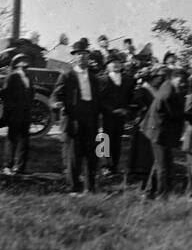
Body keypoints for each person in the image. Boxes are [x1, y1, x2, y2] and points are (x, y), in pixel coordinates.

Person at [50, 39, 103, 194]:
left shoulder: (94, 78)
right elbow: (55, 95)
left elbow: (98, 99)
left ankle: (90, 188)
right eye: (79, 54)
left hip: (91, 118)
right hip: (74, 118)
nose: (82, 57)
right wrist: (56, 104)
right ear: (74, 57)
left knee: (92, 154)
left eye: (85, 54)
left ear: (88, 57)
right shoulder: (67, 76)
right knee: (74, 155)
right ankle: (74, 188)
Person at [143, 67, 187, 199]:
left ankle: (149, 192)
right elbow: (165, 105)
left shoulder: (170, 87)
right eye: (181, 79)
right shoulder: (168, 88)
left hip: (161, 131)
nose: (183, 83)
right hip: (159, 131)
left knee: (159, 162)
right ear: (173, 78)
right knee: (163, 165)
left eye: (184, 80)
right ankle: (162, 195)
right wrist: (180, 115)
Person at [98, 59, 134, 176]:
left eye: (119, 63)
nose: (116, 65)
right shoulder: (102, 79)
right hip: (107, 115)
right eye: (113, 63)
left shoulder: (127, 80)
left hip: (121, 115)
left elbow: (130, 97)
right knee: (104, 139)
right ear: (108, 66)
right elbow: (100, 99)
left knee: (117, 140)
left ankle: (115, 165)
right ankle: (104, 165)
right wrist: (112, 110)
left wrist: (126, 110)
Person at [1, 54, 35, 175]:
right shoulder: (12, 77)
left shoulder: (28, 78)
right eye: (22, 62)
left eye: (26, 62)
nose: (25, 64)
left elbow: (31, 94)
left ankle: (20, 167)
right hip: (15, 113)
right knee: (12, 139)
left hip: (26, 113)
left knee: (24, 140)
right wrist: (10, 110)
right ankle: (7, 166)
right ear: (17, 64)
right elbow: (5, 94)